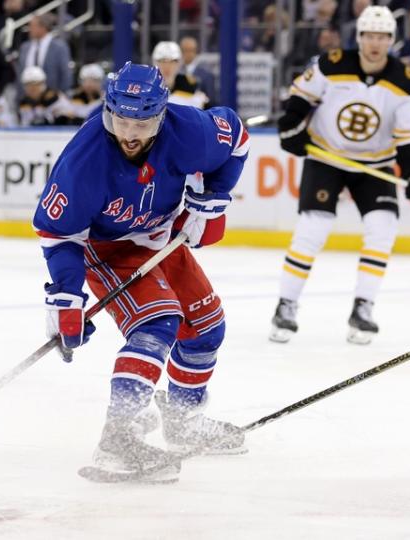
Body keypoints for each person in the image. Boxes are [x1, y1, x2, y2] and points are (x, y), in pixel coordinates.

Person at [32, 62, 250, 480]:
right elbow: (58, 234)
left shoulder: (190, 130)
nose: (130, 134)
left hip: (161, 237)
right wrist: (65, 298)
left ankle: (184, 424)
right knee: (158, 322)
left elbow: (237, 139)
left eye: (144, 123)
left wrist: (214, 196)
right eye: (121, 121)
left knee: (206, 327)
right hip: (106, 248)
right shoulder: (84, 160)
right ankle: (118, 440)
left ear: (162, 114)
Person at [271, 5, 410, 345]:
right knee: (312, 228)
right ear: (359, 37)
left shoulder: (404, 80)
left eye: (383, 36)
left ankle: (364, 307)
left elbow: (409, 134)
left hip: (374, 165)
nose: (375, 43)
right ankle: (286, 305)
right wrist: (290, 125)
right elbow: (302, 93)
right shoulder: (331, 64)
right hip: (326, 157)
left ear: (391, 40)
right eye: (369, 35)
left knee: (382, 228)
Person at [16, 13, 73, 92]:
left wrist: (59, 97)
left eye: (32, 26)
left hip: (52, 98)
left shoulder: (59, 47)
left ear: (43, 27)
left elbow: (66, 75)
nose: (29, 29)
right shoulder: (25, 47)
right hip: (28, 99)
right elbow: (20, 74)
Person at [152, 41, 209, 109]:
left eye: (172, 61)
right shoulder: (146, 88)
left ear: (179, 64)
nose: (167, 66)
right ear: (154, 63)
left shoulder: (191, 88)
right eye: (162, 61)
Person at [179, 35, 217, 104]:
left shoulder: (206, 75)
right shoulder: (177, 72)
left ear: (196, 51)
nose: (188, 54)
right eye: (185, 50)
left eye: (191, 50)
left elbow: (211, 100)